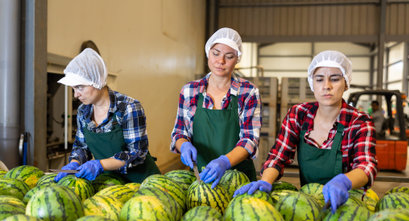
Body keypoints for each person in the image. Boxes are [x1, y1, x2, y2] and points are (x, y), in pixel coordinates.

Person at [234, 50, 378, 213]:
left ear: (346, 83)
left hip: (349, 203)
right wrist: (266, 181)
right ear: (312, 83)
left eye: (335, 79)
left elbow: (366, 165)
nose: (327, 86)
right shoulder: (298, 114)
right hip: (309, 202)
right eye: (319, 79)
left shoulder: (360, 121)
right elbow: (279, 155)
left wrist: (344, 181)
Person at [170, 27, 262, 188]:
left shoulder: (248, 92)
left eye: (229, 56)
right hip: (202, 178)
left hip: (239, 179)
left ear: (237, 59)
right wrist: (183, 144)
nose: (221, 61)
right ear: (208, 53)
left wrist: (224, 161)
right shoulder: (189, 91)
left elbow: (250, 140)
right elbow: (179, 132)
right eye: (216, 53)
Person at [54, 48, 160, 183]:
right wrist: (75, 162)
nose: (76, 95)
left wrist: (100, 165)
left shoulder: (128, 108)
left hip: (142, 182)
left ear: (96, 81)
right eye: (73, 89)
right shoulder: (83, 111)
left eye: (80, 87)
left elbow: (136, 153)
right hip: (110, 183)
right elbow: (81, 147)